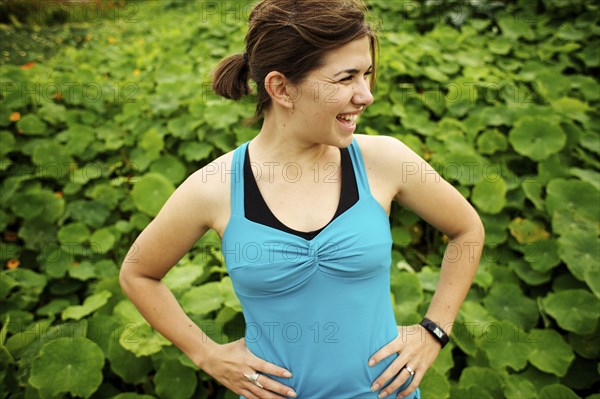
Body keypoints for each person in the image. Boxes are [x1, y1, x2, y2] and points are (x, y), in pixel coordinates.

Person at [119, 0, 485, 398]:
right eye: (345, 79)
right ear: (281, 88)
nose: (366, 96)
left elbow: (466, 229)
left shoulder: (384, 160)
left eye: (367, 75)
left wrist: (434, 331)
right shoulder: (216, 186)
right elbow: (138, 274)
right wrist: (205, 354)